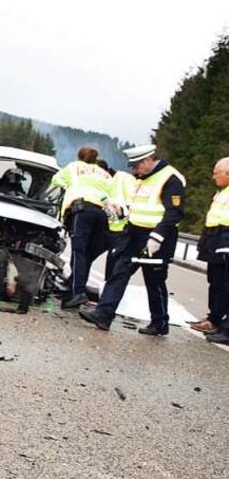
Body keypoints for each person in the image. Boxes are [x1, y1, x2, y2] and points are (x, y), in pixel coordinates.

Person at [79, 145, 185, 335]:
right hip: (133, 235)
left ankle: (160, 323)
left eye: (136, 166)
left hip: (156, 239)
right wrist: (120, 211)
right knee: (119, 272)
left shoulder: (171, 178)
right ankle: (104, 314)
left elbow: (174, 212)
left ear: (147, 161)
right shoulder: (142, 179)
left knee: (154, 281)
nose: (133, 171)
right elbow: (139, 206)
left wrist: (157, 236)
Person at [50, 147, 112, 308]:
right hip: (101, 215)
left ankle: (77, 293)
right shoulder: (104, 173)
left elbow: (55, 179)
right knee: (86, 255)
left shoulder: (74, 167)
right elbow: (112, 194)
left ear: (79, 156)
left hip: (82, 210)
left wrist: (68, 186)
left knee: (79, 252)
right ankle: (74, 290)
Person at [191, 157, 229, 343]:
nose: (213, 176)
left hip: (225, 238)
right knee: (215, 281)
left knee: (224, 284)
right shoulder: (222, 191)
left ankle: (221, 324)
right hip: (216, 237)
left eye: (217, 173)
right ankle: (214, 319)